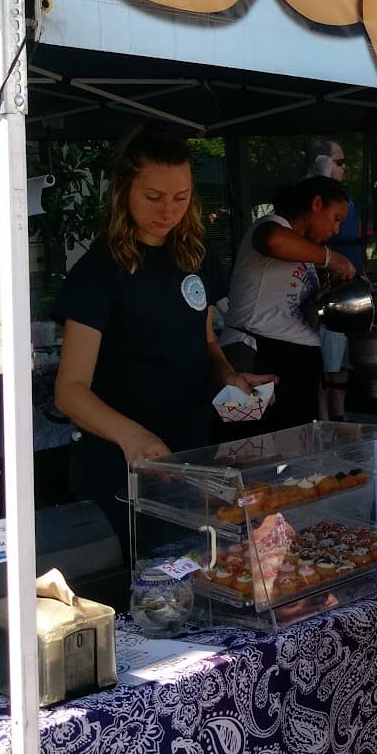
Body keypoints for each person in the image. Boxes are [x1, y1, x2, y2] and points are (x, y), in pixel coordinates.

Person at [53, 127, 273, 547]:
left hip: (192, 453)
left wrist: (228, 377)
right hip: (122, 466)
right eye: (154, 197)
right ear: (124, 190)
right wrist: (132, 436)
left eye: (181, 197)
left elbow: (204, 340)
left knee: (198, 570)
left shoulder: (194, 255)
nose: (168, 211)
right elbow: (70, 390)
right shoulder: (97, 273)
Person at [220, 175, 354, 430]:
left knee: (293, 455)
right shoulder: (271, 225)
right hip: (255, 355)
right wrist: (331, 258)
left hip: (295, 362)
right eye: (335, 219)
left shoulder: (306, 254)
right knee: (243, 447)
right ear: (317, 204)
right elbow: (272, 240)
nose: (336, 230)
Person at [305, 138, 365, 419]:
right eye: (339, 162)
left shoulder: (343, 199)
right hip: (327, 294)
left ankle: (339, 417)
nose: (345, 168)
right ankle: (324, 421)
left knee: (341, 363)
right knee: (325, 364)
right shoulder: (312, 204)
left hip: (349, 293)